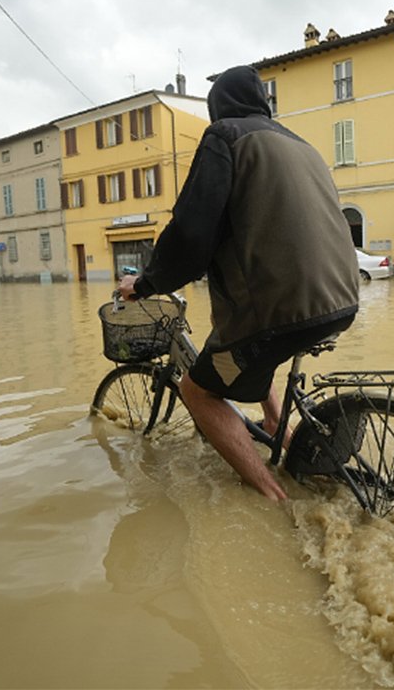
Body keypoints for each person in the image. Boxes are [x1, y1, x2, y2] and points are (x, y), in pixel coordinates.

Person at [118, 65, 359, 501]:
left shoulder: (224, 136)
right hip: (340, 297)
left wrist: (146, 284)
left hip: (279, 306)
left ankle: (271, 496)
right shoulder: (301, 145)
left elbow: (192, 230)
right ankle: (276, 426)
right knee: (250, 347)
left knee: (198, 389)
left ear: (218, 107)